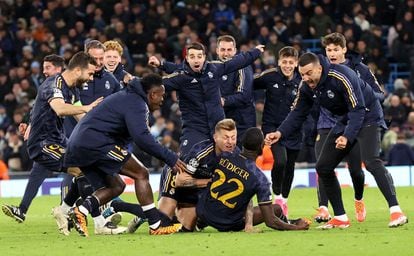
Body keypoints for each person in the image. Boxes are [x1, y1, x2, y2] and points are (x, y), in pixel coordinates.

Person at [265, 52, 408, 229]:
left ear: (319, 68)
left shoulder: (341, 76)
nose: (305, 78)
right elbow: (297, 113)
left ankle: (396, 211)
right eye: (302, 74)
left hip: (368, 115)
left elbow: (358, 110)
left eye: (309, 73)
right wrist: (280, 133)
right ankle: (340, 217)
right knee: (323, 167)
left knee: (371, 161)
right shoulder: (306, 86)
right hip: (345, 118)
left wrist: (347, 136)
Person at [64, 74, 186, 237]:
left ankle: (81, 210)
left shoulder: (128, 96)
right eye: (161, 95)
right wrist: (170, 157)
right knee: (141, 173)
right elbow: (142, 138)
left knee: (116, 186)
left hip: (79, 146)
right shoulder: (137, 103)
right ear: (152, 94)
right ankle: (156, 225)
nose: (163, 99)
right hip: (96, 143)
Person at [2, 52, 102, 223]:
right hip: (43, 143)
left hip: (58, 139)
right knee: (81, 170)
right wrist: (87, 108)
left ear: (58, 68)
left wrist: (101, 129)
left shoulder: (71, 89)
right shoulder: (52, 84)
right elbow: (60, 109)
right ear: (77, 70)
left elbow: (80, 119)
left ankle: (39, 210)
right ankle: (98, 220)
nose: (45, 71)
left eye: (48, 68)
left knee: (82, 170)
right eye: (90, 74)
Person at [313, 32, 385, 223]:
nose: (332, 53)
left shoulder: (359, 69)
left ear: (344, 49)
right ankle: (323, 208)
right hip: (326, 125)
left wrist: (361, 95)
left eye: (336, 49)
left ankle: (359, 199)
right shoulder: (322, 70)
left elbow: (379, 94)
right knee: (322, 166)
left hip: (353, 123)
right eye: (329, 50)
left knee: (355, 169)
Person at [149, 42, 264, 155]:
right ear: (187, 59)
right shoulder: (180, 77)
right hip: (195, 128)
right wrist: (133, 82)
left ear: (204, 57)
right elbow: (153, 85)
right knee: (187, 159)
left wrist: (256, 52)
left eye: (199, 56)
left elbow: (238, 61)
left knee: (234, 160)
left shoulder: (213, 68)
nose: (196, 60)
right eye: (192, 57)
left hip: (218, 126)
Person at [196, 127, 310, 232]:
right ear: (261, 147)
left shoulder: (225, 155)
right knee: (276, 209)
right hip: (227, 223)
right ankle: (290, 223)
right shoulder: (260, 179)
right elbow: (270, 221)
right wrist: (295, 228)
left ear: (242, 143)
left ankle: (199, 222)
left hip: (203, 211)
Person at [158, 118, 238, 231]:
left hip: (195, 185)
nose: (230, 142)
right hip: (175, 174)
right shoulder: (201, 152)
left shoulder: (236, 156)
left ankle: (192, 219)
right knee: (161, 225)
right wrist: (209, 181)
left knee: (186, 229)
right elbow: (179, 182)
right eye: (226, 137)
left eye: (233, 137)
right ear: (215, 138)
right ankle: (145, 215)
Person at [253, 46, 302, 217]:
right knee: (280, 161)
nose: (287, 65)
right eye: (284, 62)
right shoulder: (269, 76)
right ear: (279, 62)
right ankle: (277, 195)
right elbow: (249, 85)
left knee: (290, 166)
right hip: (272, 128)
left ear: (296, 63)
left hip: (295, 129)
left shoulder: (302, 79)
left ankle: (284, 201)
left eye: (291, 62)